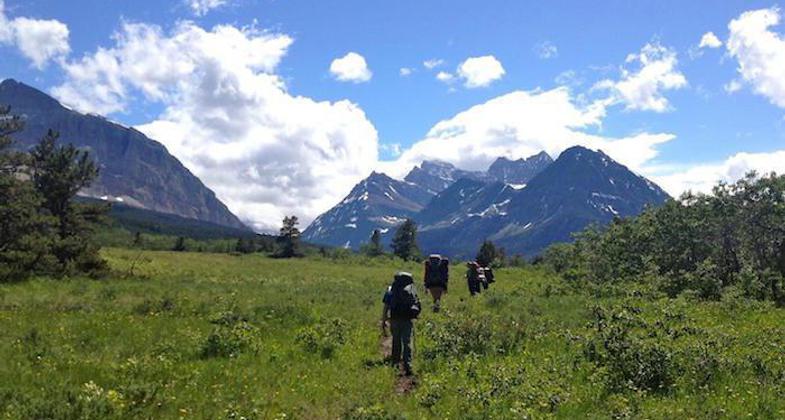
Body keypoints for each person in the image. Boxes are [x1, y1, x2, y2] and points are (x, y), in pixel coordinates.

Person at [381, 271, 421, 376]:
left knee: (396, 340)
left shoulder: (391, 290)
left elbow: (386, 307)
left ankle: (395, 363)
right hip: (407, 319)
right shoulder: (412, 290)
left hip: (394, 319)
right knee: (407, 342)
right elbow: (416, 304)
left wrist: (384, 320)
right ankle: (408, 364)